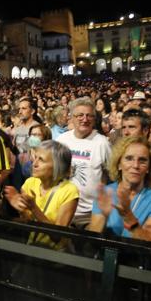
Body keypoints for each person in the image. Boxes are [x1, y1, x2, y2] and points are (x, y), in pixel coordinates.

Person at [89, 136, 151, 241]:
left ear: (149, 168)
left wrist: (128, 216)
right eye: (129, 158)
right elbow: (91, 241)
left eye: (142, 160)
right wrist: (104, 216)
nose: (135, 165)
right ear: (119, 164)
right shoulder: (105, 193)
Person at [4, 140, 78, 250]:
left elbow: (57, 236)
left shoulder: (69, 190)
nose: (34, 164)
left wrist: (34, 208)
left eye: (41, 160)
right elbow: (29, 222)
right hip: (31, 250)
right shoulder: (30, 183)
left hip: (54, 257)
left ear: (58, 166)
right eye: (35, 158)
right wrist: (11, 206)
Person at [57, 97, 111, 228]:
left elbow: (110, 174)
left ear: (94, 119)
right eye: (80, 115)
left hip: (91, 213)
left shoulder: (103, 143)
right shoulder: (62, 140)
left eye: (89, 116)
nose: (85, 119)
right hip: (62, 207)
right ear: (72, 117)